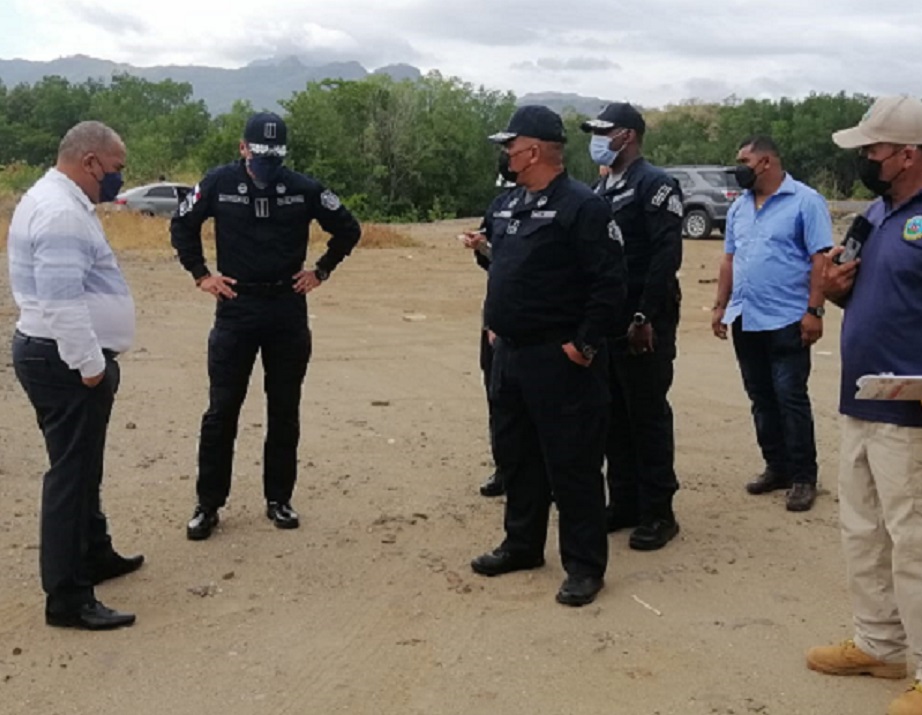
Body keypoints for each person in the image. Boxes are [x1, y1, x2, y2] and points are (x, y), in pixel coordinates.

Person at [171, 112, 361, 541]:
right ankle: (208, 504)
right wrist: (201, 275)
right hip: (236, 307)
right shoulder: (218, 182)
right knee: (222, 410)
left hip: (286, 309)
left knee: (284, 409)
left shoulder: (303, 188)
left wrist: (321, 271)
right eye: (259, 158)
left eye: (274, 160)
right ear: (243, 149)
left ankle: (279, 499)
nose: (266, 168)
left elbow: (348, 228)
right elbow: (182, 224)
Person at [467, 105, 626, 607]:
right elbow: (504, 265)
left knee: (572, 465)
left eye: (510, 147)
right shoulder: (508, 203)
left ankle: (584, 565)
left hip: (560, 360)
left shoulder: (582, 206)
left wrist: (583, 345)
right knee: (517, 457)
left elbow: (609, 284)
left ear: (533, 151)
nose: (506, 155)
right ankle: (522, 544)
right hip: (510, 354)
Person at [806, 95, 922, 715]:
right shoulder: (876, 214)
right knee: (863, 529)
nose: (864, 158)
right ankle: (881, 644)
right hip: (863, 397)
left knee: (915, 539)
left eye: (873, 149)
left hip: (912, 411)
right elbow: (869, 294)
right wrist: (833, 291)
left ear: (908, 155)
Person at [8, 121, 142, 630]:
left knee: (84, 466)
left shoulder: (56, 199)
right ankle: (67, 596)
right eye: (116, 168)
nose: (119, 178)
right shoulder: (61, 212)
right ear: (90, 162)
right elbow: (61, 301)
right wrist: (90, 366)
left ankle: (94, 552)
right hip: (64, 362)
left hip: (55, 356)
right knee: (71, 474)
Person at [581, 102, 683, 550]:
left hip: (644, 319)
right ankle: (624, 502)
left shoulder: (655, 185)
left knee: (646, 415)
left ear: (629, 135)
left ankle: (659, 511)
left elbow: (665, 256)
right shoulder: (601, 190)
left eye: (605, 132)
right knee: (613, 417)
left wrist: (645, 316)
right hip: (608, 319)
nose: (598, 140)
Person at [712, 135, 832, 513]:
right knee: (760, 398)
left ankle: (803, 477)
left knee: (790, 397)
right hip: (746, 317)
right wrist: (720, 306)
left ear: (765, 162)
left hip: (787, 319)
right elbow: (729, 259)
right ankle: (776, 467)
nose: (738, 169)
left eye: (744, 161)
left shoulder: (806, 201)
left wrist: (814, 311)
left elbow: (820, 260)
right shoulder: (739, 207)